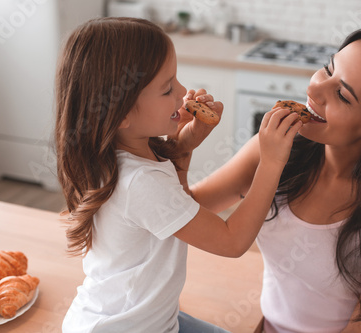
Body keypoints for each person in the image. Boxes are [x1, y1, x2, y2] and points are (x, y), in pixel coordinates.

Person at [183, 28, 361, 332]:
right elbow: (184, 211)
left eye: (342, 95)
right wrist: (182, 146)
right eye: (328, 69)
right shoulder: (276, 152)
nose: (316, 90)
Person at [55, 17, 302, 333]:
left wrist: (183, 146)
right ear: (122, 114)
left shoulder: (117, 155)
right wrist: (270, 162)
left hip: (140, 319)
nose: (183, 92)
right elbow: (232, 241)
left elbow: (175, 211)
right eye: (167, 88)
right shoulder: (141, 182)